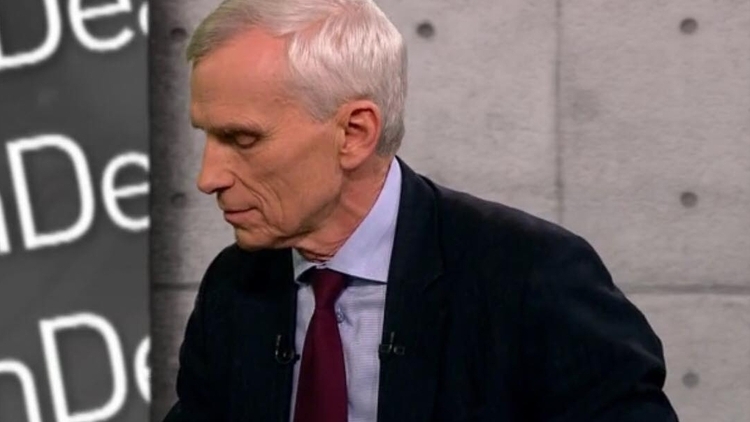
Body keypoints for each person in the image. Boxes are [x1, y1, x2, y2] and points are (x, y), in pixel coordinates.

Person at [165, 0, 679, 421]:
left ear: (354, 133)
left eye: (242, 139)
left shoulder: (530, 275)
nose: (208, 177)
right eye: (207, 137)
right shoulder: (234, 286)